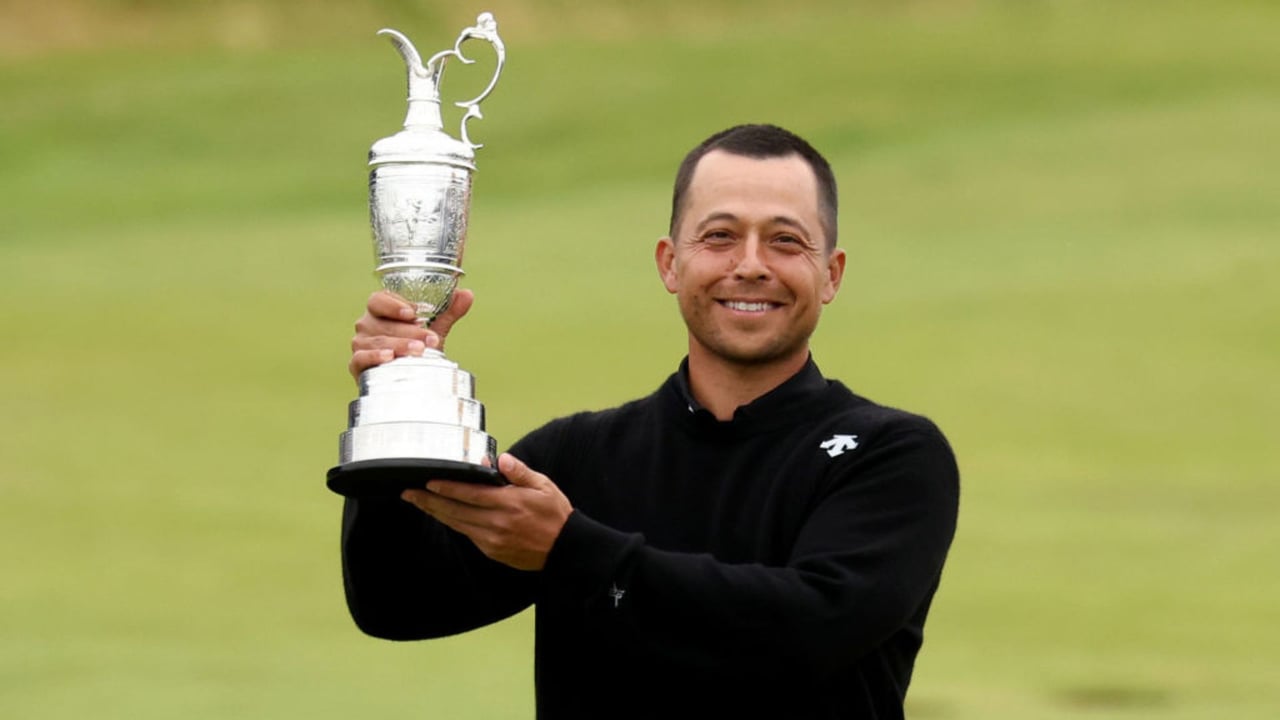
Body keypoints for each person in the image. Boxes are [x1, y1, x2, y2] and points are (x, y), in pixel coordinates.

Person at [341, 123, 960, 719]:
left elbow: (813, 627)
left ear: (831, 274)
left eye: (786, 240)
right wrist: (395, 398)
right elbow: (396, 603)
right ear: (669, 263)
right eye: (718, 236)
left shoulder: (891, 455)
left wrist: (570, 551)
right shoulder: (579, 457)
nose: (750, 265)